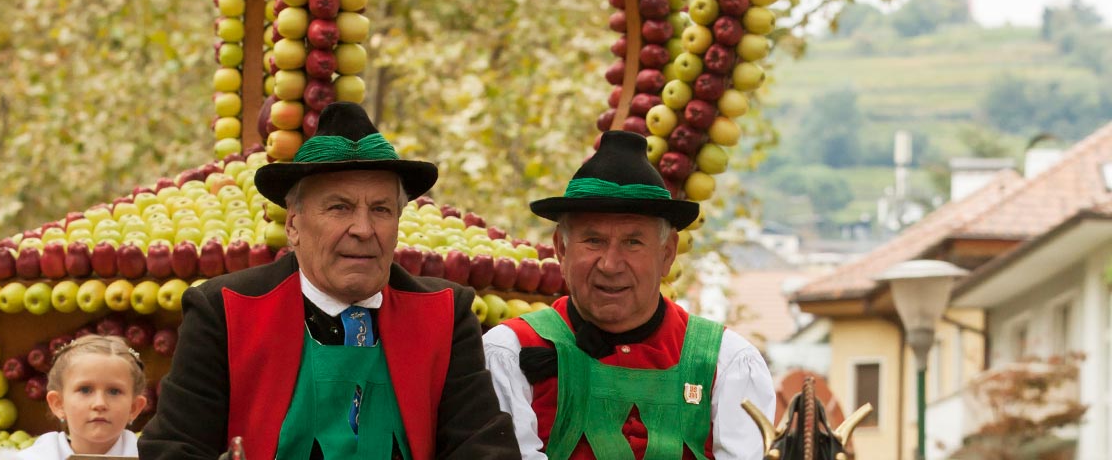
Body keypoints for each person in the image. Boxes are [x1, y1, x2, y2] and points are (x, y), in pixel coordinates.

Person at [139, 101, 519, 460]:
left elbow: (483, 447)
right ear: (293, 225)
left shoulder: (444, 314)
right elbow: (175, 449)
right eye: (339, 207)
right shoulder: (224, 311)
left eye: (381, 210)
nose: (363, 229)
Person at [484, 131, 775, 460]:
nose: (610, 264)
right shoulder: (509, 352)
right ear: (561, 249)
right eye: (593, 240)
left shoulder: (727, 362)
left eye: (633, 242)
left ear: (667, 253)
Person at [1, 335, 146, 459]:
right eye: (85, 390)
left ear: (134, 407)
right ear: (58, 404)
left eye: (114, 391)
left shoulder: (152, 455)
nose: (99, 403)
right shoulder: (36, 457)